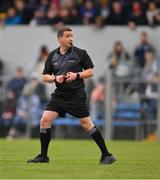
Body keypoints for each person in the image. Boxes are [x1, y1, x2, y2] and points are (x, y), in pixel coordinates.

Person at [27, 26, 116, 164]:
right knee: (45, 120)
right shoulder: (52, 55)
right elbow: (44, 76)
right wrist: (55, 78)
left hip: (76, 94)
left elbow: (90, 72)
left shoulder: (80, 53)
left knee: (86, 124)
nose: (71, 38)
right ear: (59, 39)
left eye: (72, 35)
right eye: (67, 36)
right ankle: (43, 156)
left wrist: (77, 75)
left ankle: (106, 155)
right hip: (59, 95)